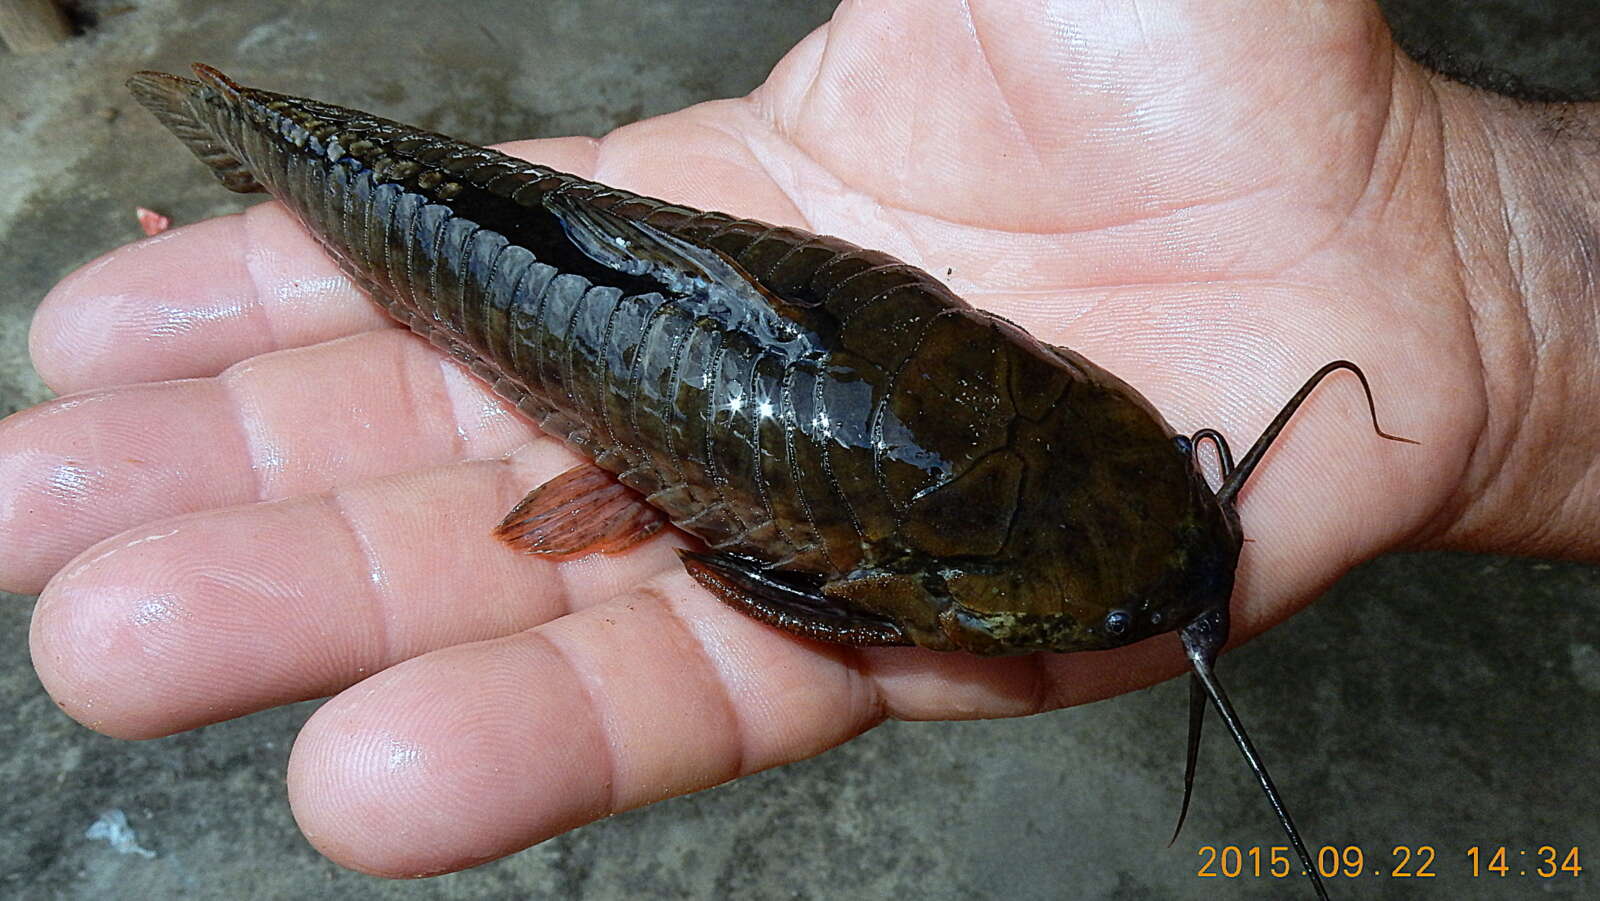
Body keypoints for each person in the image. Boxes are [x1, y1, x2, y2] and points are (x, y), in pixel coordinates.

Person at [1, 0, 1593, 878]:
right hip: (713, 354)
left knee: (485, 231)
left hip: (785, 338)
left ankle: (252, 130)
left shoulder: (941, 458)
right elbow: (768, 581)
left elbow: (770, 580)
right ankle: (250, 134)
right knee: (457, 229)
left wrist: (1489, 280)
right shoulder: (844, 554)